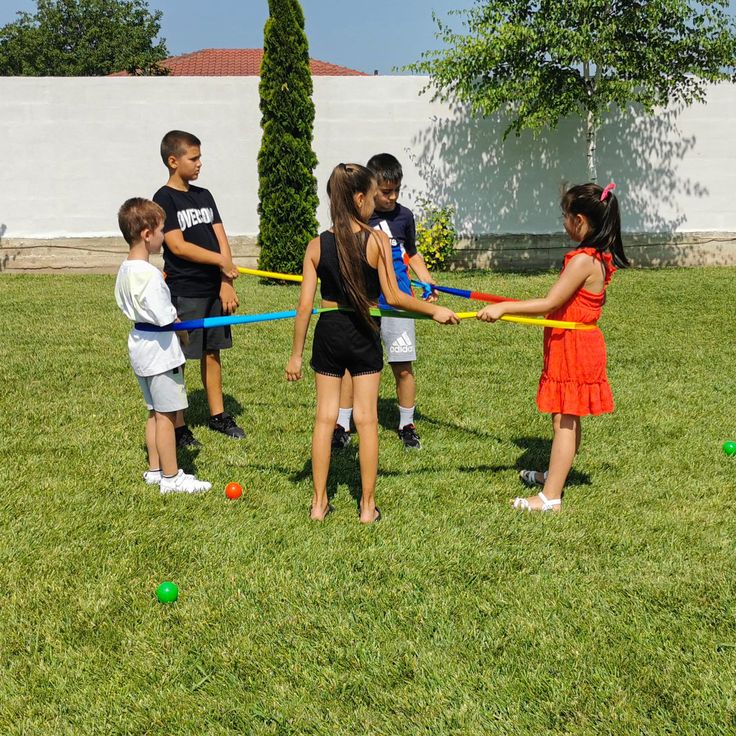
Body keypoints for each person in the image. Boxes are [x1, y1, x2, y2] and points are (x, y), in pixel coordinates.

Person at [286, 163, 459, 523]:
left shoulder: (316, 245)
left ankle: (318, 505)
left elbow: (304, 306)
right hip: (364, 330)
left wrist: (296, 357)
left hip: (329, 331)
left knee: (324, 418)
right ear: (360, 198)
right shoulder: (376, 240)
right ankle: (367, 508)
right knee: (366, 420)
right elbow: (393, 297)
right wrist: (433, 310)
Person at [477, 182, 629, 512]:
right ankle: (554, 476)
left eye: (564, 216)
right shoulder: (595, 257)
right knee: (564, 415)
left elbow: (550, 303)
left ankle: (550, 497)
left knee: (565, 420)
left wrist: (504, 308)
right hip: (571, 343)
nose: (563, 222)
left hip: (575, 345)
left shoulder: (583, 261)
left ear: (580, 220)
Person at [332, 153, 437, 451]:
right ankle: (342, 423)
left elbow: (412, 253)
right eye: (385, 192)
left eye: (396, 191)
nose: (391, 198)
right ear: (369, 189)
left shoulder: (404, 217)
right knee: (354, 367)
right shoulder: (358, 219)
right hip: (364, 303)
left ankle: (407, 424)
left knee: (403, 366)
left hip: (399, 302)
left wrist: (427, 280)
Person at [152, 130, 244, 448]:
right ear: (173, 161)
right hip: (185, 290)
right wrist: (220, 260)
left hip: (212, 290)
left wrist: (225, 281)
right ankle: (177, 425)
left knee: (211, 352)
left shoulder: (204, 195)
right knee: (177, 357)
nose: (199, 163)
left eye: (200, 157)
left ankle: (218, 416)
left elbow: (221, 237)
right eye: (194, 158)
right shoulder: (164, 199)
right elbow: (177, 246)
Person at [114, 198, 212, 494]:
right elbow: (163, 314)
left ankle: (155, 470)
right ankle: (172, 478)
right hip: (160, 351)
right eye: (160, 230)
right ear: (146, 234)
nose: (163, 236)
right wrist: (179, 326)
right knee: (168, 417)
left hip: (141, 347)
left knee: (154, 412)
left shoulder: (125, 269)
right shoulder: (150, 275)